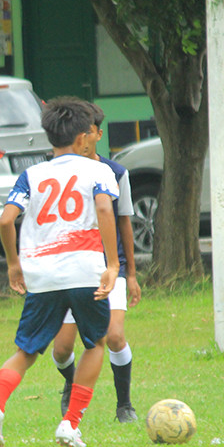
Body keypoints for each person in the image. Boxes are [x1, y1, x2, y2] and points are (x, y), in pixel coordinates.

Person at [0, 97, 119, 447]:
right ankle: (69, 425)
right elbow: (104, 207)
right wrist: (113, 264)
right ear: (81, 139)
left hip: (41, 275)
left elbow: (5, 220)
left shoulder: (32, 174)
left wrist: (14, 263)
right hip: (85, 271)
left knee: (26, 351)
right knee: (96, 343)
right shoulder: (97, 170)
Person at [50, 104, 141, 424]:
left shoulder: (116, 173)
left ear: (98, 135)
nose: (84, 138)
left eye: (89, 131)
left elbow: (125, 223)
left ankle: (124, 405)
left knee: (114, 336)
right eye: (79, 132)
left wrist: (130, 273)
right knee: (61, 348)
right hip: (73, 270)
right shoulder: (59, 173)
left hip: (108, 270)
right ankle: (71, 383)